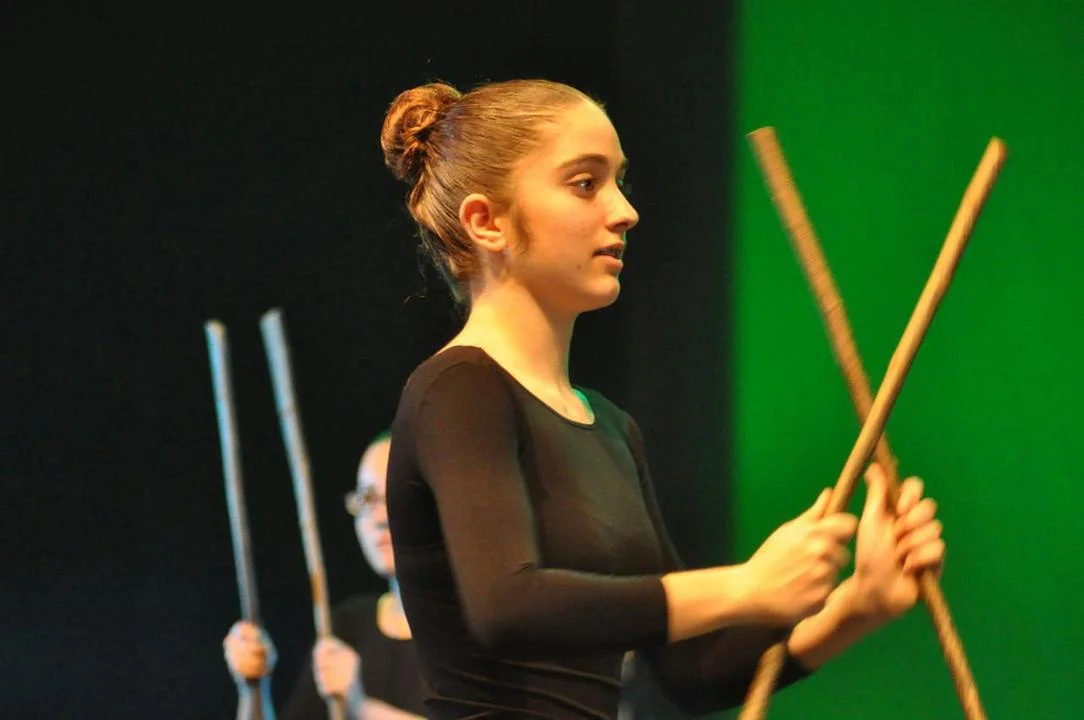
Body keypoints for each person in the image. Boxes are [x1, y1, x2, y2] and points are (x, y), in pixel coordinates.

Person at [379, 79, 946, 719]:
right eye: (585, 183)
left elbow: (688, 673)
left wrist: (857, 605)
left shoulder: (612, 429)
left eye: (619, 182)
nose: (625, 211)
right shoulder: (459, 389)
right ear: (487, 222)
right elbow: (509, 607)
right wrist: (746, 585)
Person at [223, 432, 426, 719]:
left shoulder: (473, 628)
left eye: (396, 495)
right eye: (367, 498)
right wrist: (253, 688)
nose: (380, 518)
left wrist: (360, 708)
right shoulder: (348, 627)